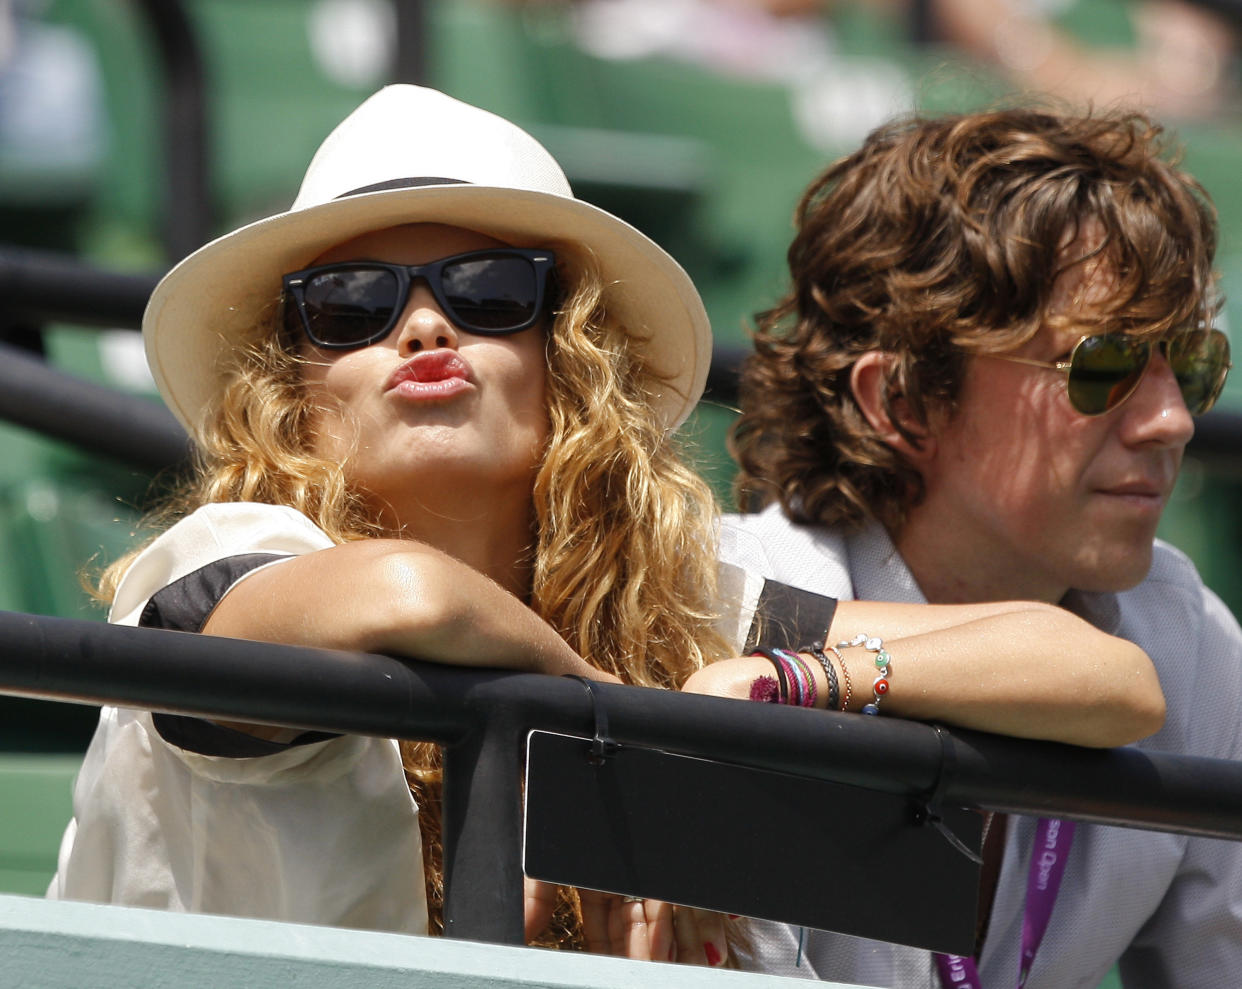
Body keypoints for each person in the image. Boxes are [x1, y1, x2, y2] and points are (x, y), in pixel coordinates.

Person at [47, 86, 1161, 966]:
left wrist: (789, 679)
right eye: (351, 304)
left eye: (488, 291)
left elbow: (1103, 673)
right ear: (298, 383)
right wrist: (618, 745)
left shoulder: (671, 601)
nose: (425, 322)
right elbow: (404, 597)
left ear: (565, 359)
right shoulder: (231, 558)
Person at [719, 105, 1239, 986]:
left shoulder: (1186, 634)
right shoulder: (727, 580)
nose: (1173, 420)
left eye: (1187, 364)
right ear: (905, 401)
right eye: (1103, 366)